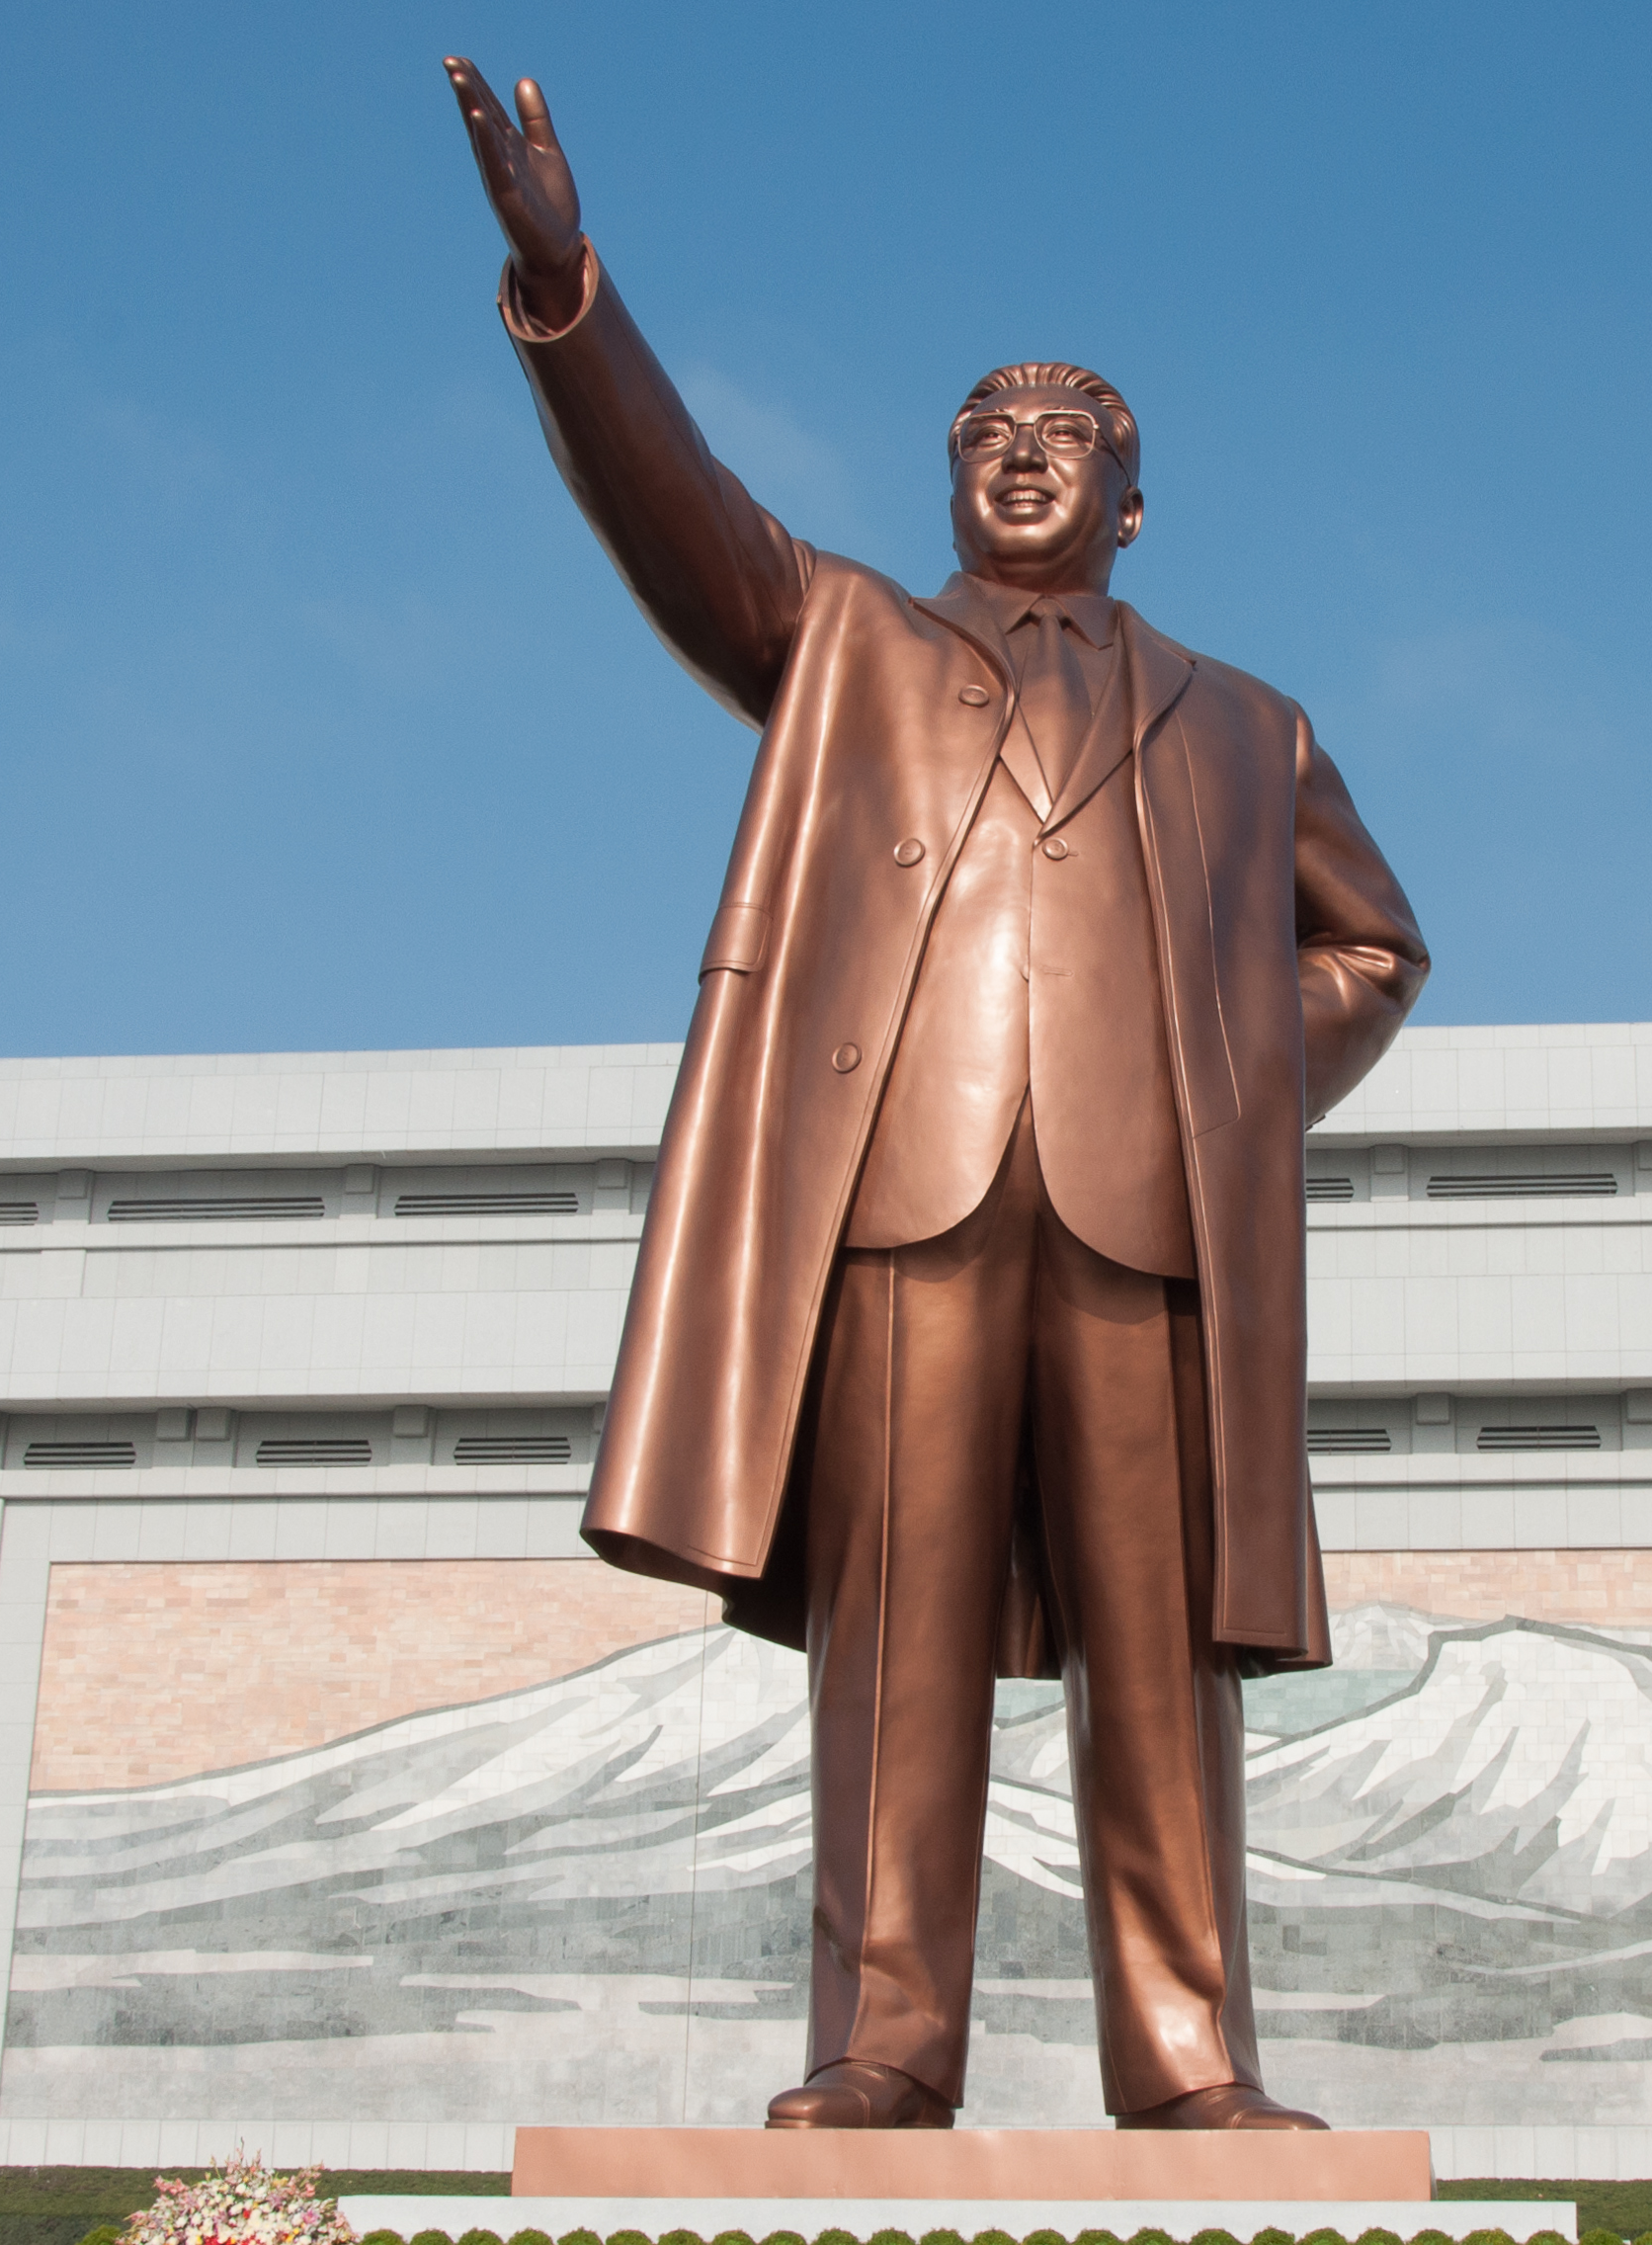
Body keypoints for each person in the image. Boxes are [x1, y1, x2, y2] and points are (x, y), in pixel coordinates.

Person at [444, 61, 1429, 2131]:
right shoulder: (850, 645)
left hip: (1150, 1216)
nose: (1018, 456)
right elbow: (677, 516)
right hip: (906, 1190)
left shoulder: (1253, 725)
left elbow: (1376, 948)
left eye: (1064, 436)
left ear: (1134, 498)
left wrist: (1242, 1076)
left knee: (1165, 1655)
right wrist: (567, 286)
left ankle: (1187, 2056)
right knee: (891, 1639)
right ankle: (887, 2038)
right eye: (983, 434)